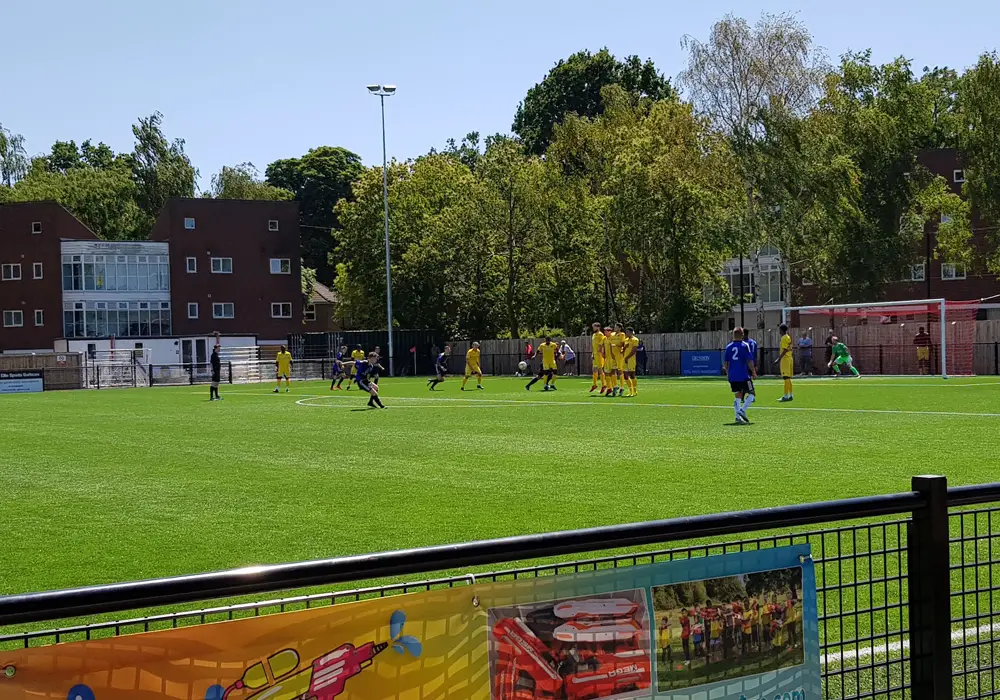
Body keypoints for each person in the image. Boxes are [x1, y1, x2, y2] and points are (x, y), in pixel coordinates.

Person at [724, 327, 757, 424]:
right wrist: (753, 371)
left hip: (733, 375)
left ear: (733, 335)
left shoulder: (729, 347)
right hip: (743, 375)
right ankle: (742, 410)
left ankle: (737, 417)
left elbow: (726, 362)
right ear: (742, 335)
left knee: (738, 394)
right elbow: (749, 360)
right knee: (752, 393)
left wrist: (727, 373)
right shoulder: (745, 345)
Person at [605, 323, 626, 397]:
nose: (615, 328)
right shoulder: (612, 334)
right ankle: (615, 386)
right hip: (613, 356)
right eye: (615, 327)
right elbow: (610, 344)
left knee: (620, 371)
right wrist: (611, 353)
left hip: (619, 356)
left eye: (616, 327)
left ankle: (622, 387)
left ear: (620, 328)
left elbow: (623, 344)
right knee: (612, 371)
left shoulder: (622, 334)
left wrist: (616, 345)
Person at [775, 323, 794, 402]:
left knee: (786, 377)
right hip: (790, 358)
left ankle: (786, 396)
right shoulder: (788, 337)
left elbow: (785, 350)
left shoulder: (783, 338)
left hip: (785, 359)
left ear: (781, 330)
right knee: (788, 378)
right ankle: (791, 395)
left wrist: (778, 359)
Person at [622, 328, 640, 397]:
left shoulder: (635, 340)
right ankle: (630, 391)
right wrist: (624, 348)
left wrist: (627, 357)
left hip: (631, 360)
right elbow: (623, 350)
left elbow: (634, 351)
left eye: (628, 332)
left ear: (631, 332)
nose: (626, 333)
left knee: (632, 374)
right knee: (625, 375)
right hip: (625, 359)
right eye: (626, 332)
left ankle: (635, 391)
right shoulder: (626, 340)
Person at [589, 322, 606, 393]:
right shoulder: (593, 335)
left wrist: (602, 352)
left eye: (594, 327)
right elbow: (594, 345)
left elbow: (603, 343)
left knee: (600, 369)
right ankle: (594, 384)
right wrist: (593, 353)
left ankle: (604, 385)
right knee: (594, 369)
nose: (593, 328)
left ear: (598, 327)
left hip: (599, 355)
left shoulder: (600, 334)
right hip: (595, 354)